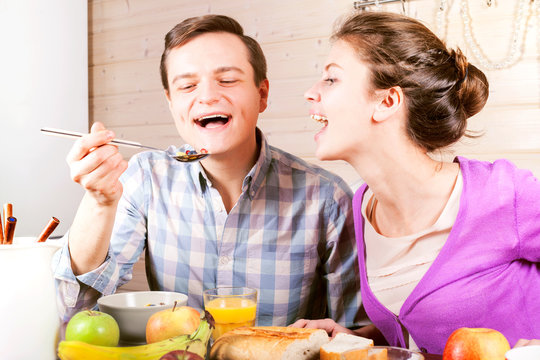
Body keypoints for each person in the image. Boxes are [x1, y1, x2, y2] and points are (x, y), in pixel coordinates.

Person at [53, 14, 366, 329]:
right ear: (172, 103)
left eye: (227, 80)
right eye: (187, 86)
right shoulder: (147, 177)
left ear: (262, 94)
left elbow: (352, 335)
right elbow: (76, 304)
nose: (207, 96)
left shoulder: (326, 196)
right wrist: (99, 202)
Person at [291, 11, 540, 355]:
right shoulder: (363, 205)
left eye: (331, 79)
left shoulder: (503, 194)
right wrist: (353, 337)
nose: (310, 93)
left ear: (387, 101)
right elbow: (415, 325)